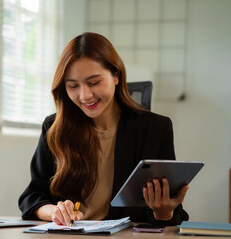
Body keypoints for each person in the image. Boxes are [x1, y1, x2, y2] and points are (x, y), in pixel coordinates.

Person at [18, 32, 189, 226]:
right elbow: (31, 197)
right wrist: (55, 212)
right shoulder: (54, 128)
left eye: (94, 82)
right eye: (73, 85)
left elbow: (171, 214)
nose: (84, 95)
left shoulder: (155, 129)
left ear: (116, 76)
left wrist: (163, 212)